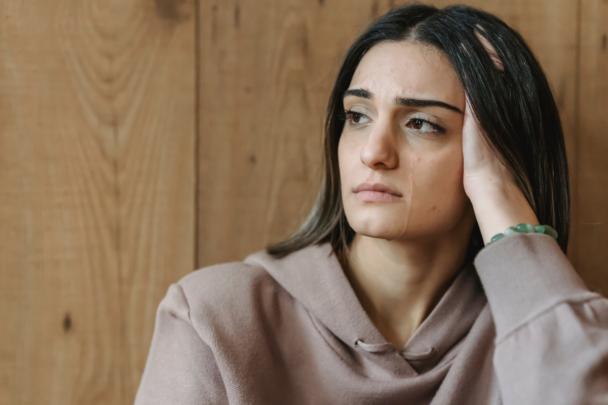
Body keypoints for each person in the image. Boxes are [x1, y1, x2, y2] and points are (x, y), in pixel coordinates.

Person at [134, 4, 608, 404]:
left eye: (421, 123)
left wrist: (499, 198)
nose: (373, 152)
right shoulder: (216, 319)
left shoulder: (540, 327)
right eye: (357, 116)